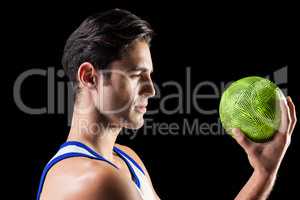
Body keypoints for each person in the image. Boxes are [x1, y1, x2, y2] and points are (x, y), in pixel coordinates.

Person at [36, 8, 297, 200]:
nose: (151, 89)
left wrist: (264, 173)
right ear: (89, 77)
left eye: (150, 76)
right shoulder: (94, 181)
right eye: (137, 75)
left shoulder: (126, 159)